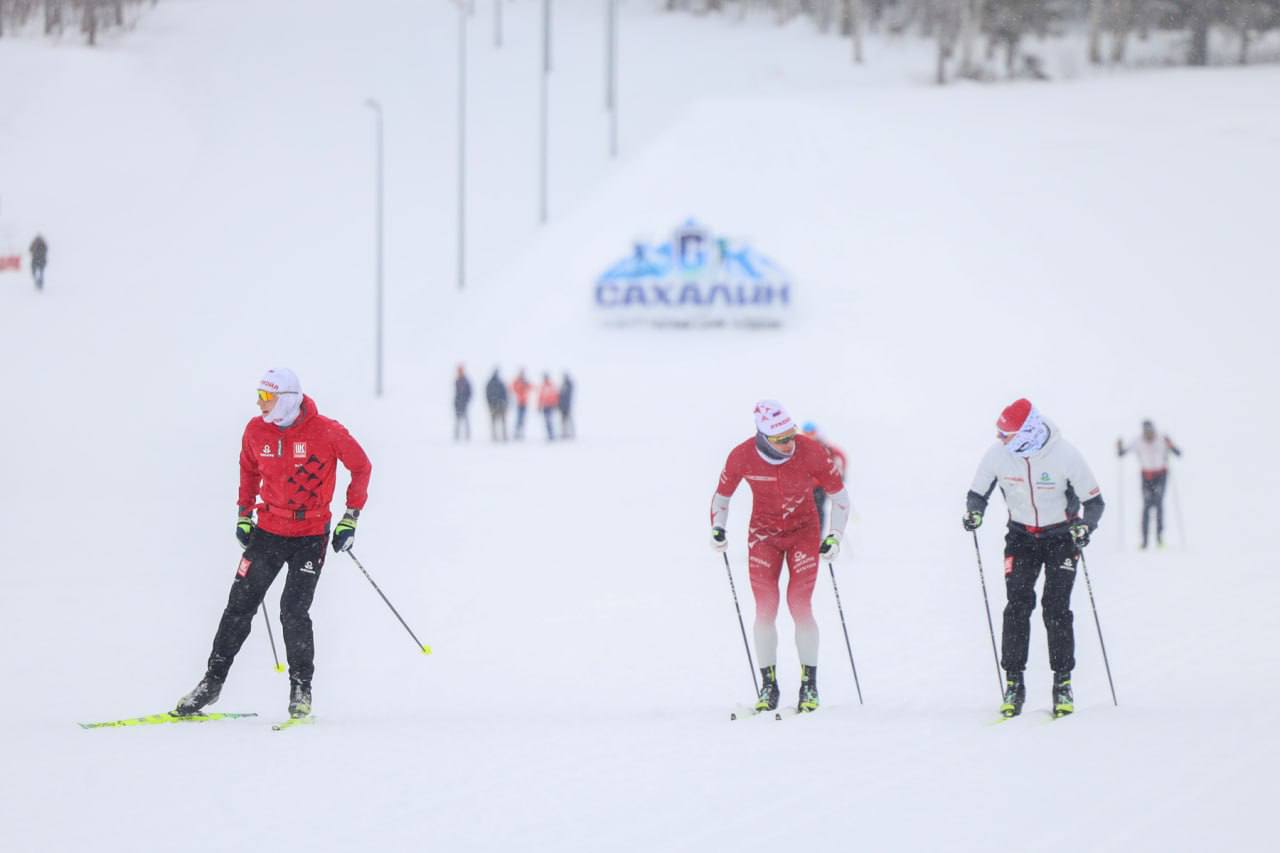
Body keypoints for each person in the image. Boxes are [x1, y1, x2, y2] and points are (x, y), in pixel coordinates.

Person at [175, 368, 372, 720]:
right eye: (259, 397)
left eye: (267, 398)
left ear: (287, 399)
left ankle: (301, 689)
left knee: (292, 611)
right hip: (268, 531)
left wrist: (350, 517)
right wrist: (243, 513)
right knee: (239, 605)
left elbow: (361, 466)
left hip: (310, 535)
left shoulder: (327, 431)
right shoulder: (255, 430)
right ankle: (212, 682)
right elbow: (248, 469)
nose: (260, 404)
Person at [962, 398, 1104, 719]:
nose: (1000, 439)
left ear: (1026, 432)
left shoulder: (1066, 455)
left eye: (1006, 434)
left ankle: (1062, 683)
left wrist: (1085, 526)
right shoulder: (998, 455)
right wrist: (974, 512)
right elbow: (977, 493)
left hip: (1061, 537)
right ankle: (1014, 683)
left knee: (1056, 607)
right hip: (1021, 537)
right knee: (1017, 606)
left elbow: (1095, 503)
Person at [710, 400, 850, 713]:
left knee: (799, 605)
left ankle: (809, 685)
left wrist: (835, 537)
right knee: (765, 609)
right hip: (763, 537)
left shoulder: (810, 451)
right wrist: (718, 529)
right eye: (781, 439)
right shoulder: (742, 455)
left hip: (804, 532)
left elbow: (840, 498)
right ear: (763, 437)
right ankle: (768, 685)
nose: (790, 443)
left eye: (792, 435)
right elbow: (722, 496)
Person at [1117, 420, 1182, 549]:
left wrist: (1171, 444)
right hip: (1146, 476)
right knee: (1147, 505)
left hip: (1161, 475)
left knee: (1158, 503)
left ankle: (1159, 537)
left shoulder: (1162, 439)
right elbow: (1121, 454)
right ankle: (1145, 540)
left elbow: (1178, 453)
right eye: (1146, 432)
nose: (1148, 435)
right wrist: (1119, 446)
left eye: (1150, 432)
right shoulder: (1138, 441)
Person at [800, 421, 848, 529]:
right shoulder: (801, 447)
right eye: (806, 433)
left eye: (811, 433)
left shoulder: (824, 446)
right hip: (804, 487)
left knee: (818, 510)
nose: (809, 436)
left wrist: (841, 473)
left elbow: (841, 456)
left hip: (819, 487)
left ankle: (818, 536)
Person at [485, 368, 509, 442]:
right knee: (500, 421)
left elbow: (504, 394)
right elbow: (504, 394)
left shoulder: (492, 383)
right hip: (497, 404)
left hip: (496, 405)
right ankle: (500, 436)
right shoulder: (498, 383)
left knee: (496, 421)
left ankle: (497, 436)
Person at [537, 372, 559, 441]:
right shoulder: (543, 386)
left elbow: (555, 396)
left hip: (550, 406)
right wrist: (539, 405)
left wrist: (555, 404)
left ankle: (551, 434)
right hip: (545, 406)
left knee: (549, 420)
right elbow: (540, 397)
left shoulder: (551, 385)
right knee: (547, 421)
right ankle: (549, 434)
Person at [453, 364, 472, 441]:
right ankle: (457, 435)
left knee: (466, 420)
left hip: (464, 403)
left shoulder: (466, 381)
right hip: (458, 403)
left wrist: (466, 400)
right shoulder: (457, 380)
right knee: (458, 420)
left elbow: (470, 392)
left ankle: (467, 435)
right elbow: (457, 393)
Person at [511, 369, 532, 440]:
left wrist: (525, 384)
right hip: (519, 403)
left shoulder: (525, 382)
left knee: (522, 419)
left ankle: (521, 433)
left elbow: (531, 387)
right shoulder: (517, 381)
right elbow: (512, 388)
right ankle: (517, 433)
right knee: (518, 419)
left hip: (524, 403)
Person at [558, 372, 575, 440]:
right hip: (562, 407)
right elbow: (560, 396)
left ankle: (571, 433)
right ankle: (564, 433)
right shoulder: (563, 385)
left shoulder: (568, 385)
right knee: (563, 421)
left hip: (567, 406)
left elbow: (566, 396)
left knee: (568, 420)